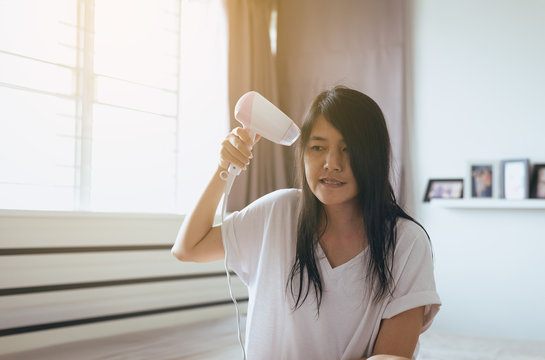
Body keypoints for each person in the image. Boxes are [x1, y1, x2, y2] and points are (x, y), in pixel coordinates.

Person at [172, 86, 441, 360]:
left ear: (373, 157)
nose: (331, 163)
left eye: (349, 149)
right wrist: (224, 168)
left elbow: (391, 357)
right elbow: (188, 247)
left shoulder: (406, 241)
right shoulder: (277, 212)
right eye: (318, 147)